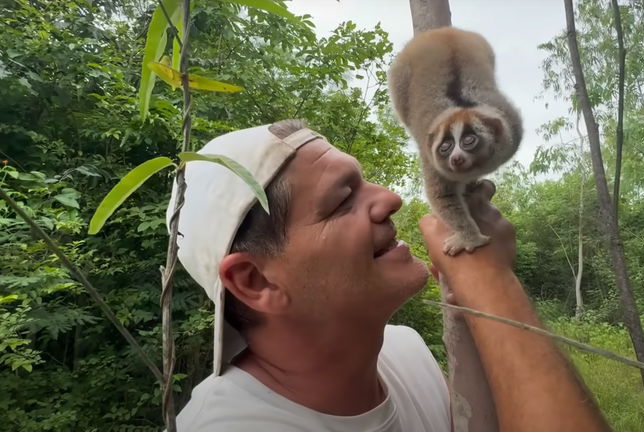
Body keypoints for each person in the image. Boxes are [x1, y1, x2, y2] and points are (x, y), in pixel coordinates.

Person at [168, 119, 609, 431]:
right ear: (255, 282)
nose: (391, 198)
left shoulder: (404, 351)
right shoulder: (234, 426)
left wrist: (464, 296)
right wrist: (489, 279)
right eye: (342, 202)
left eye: (365, 183)